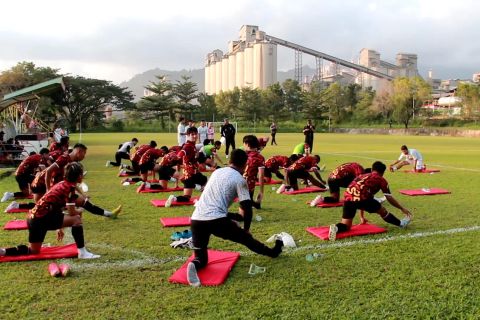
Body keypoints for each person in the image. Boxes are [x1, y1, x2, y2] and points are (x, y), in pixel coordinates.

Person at [186, 149, 284, 287]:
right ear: (245, 164)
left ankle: (194, 264)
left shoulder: (217, 172)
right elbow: (246, 207)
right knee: (246, 239)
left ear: (230, 161)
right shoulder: (239, 179)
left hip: (196, 219)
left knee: (201, 258)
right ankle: (273, 252)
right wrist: (246, 229)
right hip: (216, 219)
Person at [0, 162, 101, 259]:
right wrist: (81, 209)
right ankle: (82, 253)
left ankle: (4, 251)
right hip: (41, 219)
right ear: (78, 176)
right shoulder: (69, 188)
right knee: (76, 219)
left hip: (32, 218)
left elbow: (55, 207)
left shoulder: (61, 184)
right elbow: (72, 213)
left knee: (34, 250)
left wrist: (59, 227)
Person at [328, 161, 413, 241]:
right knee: (383, 212)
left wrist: (362, 217)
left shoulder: (361, 176)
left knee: (346, 225)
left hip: (348, 198)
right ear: (383, 172)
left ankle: (336, 228)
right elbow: (389, 198)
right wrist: (401, 208)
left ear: (372, 169)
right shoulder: (381, 180)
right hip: (362, 199)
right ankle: (401, 223)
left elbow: (359, 193)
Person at [165, 127, 208, 207]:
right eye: (192, 134)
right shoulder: (188, 146)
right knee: (207, 183)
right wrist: (177, 157)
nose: (195, 136)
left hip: (187, 175)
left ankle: (174, 198)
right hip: (192, 174)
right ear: (187, 135)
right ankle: (203, 200)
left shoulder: (191, 145)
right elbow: (182, 152)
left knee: (187, 197)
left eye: (196, 134)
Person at [243, 135, 265, 209]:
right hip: (250, 184)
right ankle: (255, 204)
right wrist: (261, 191)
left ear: (247, 144)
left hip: (238, 181)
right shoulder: (260, 157)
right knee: (247, 202)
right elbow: (261, 175)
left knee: (245, 204)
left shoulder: (242, 154)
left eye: (244, 144)